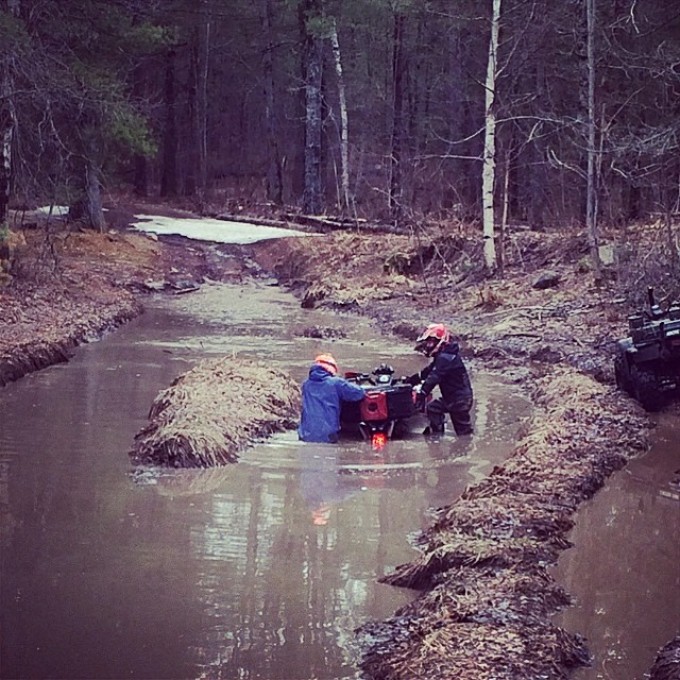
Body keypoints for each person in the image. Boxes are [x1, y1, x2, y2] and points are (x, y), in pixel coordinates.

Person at [407, 323, 474, 436]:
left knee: (463, 433)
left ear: (440, 341)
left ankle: (466, 444)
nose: (428, 345)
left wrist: (422, 393)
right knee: (433, 408)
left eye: (431, 342)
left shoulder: (446, 358)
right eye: (428, 342)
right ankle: (437, 437)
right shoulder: (443, 356)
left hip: (459, 400)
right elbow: (428, 371)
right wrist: (410, 380)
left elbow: (434, 377)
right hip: (452, 398)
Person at [298, 353, 365, 443]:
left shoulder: (306, 385)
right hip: (327, 437)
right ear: (331, 369)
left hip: (305, 436)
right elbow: (359, 393)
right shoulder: (336, 383)